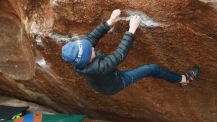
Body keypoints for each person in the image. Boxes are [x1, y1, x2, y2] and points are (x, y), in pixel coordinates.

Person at [62, 9, 200, 95]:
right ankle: (184, 79)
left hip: (104, 79)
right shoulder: (98, 68)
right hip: (115, 84)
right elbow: (119, 55)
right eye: (89, 50)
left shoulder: (80, 58)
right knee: (152, 68)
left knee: (94, 49)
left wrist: (110, 21)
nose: (92, 47)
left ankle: (182, 80)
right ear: (87, 60)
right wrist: (131, 30)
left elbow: (92, 37)